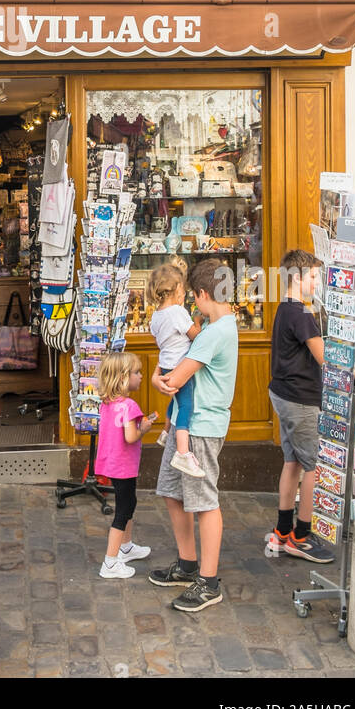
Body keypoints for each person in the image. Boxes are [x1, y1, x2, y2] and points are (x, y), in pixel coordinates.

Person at [149, 257, 239, 612]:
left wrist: (157, 379)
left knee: (204, 502)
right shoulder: (219, 326)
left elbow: (174, 379)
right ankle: (188, 564)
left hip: (200, 426)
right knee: (173, 492)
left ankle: (209, 581)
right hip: (188, 425)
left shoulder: (214, 334)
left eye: (194, 298)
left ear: (203, 294)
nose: (191, 305)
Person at [265, 248, 335, 563]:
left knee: (292, 462)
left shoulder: (285, 308)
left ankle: (282, 531)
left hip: (282, 394)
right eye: (314, 276)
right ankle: (301, 537)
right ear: (297, 277)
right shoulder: (302, 314)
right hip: (300, 399)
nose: (317, 282)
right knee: (313, 467)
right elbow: (326, 361)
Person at [95, 350, 157, 580]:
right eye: (137, 372)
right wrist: (146, 427)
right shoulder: (128, 406)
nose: (141, 376)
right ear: (123, 377)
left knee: (129, 502)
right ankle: (110, 562)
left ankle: (127, 546)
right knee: (123, 510)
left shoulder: (108, 404)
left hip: (111, 463)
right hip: (124, 465)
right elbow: (131, 437)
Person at [147, 264, 204, 477]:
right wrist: (198, 321)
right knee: (186, 405)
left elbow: (159, 338)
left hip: (166, 364)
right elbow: (193, 335)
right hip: (180, 365)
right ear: (176, 288)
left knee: (176, 401)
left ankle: (165, 431)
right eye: (183, 290)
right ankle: (182, 452)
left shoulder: (156, 315)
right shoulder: (178, 312)